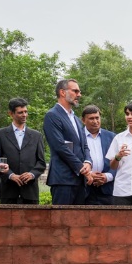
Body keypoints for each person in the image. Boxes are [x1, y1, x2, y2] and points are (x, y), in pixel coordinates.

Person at [42, 78, 92, 206]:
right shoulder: (52, 115)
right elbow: (59, 146)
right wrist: (81, 168)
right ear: (62, 92)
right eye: (75, 91)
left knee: (79, 218)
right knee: (62, 218)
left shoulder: (76, 119)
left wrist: (88, 162)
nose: (79, 95)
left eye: (79, 92)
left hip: (80, 180)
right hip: (63, 180)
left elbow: (84, 145)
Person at [0, 98, 47, 204]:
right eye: (20, 112)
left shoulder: (36, 136)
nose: (24, 115)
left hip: (30, 192)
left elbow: (41, 162)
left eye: (26, 112)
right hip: (8, 192)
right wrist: (10, 175)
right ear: (11, 114)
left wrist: (32, 174)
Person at [81, 105, 116, 205]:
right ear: (83, 120)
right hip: (84, 188)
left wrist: (107, 176)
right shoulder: (77, 136)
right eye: (91, 118)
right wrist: (88, 174)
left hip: (107, 189)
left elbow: (120, 161)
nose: (95, 121)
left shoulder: (112, 137)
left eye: (97, 118)